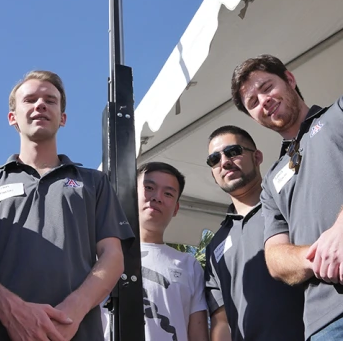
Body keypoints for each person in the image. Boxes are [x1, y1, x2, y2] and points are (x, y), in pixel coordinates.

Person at [0, 70, 134, 341]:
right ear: (12, 118)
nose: (40, 104)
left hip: (75, 333)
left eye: (50, 100)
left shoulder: (94, 182)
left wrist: (71, 312)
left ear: (63, 118)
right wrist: (10, 310)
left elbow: (113, 257)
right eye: (29, 100)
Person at [231, 54, 343, 340]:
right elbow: (276, 259)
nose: (263, 101)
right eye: (253, 103)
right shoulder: (270, 182)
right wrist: (318, 256)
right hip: (324, 324)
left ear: (290, 80)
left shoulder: (338, 115)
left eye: (267, 87)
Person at [205, 124, 304, 341]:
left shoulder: (289, 201)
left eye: (233, 152)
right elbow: (221, 321)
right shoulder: (215, 245)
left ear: (257, 157)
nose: (224, 162)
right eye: (214, 159)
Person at [103, 161, 208, 341]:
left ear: (176, 208)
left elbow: (198, 333)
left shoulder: (189, 265)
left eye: (168, 193)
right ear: (130, 194)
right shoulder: (100, 256)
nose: (157, 197)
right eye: (149, 187)